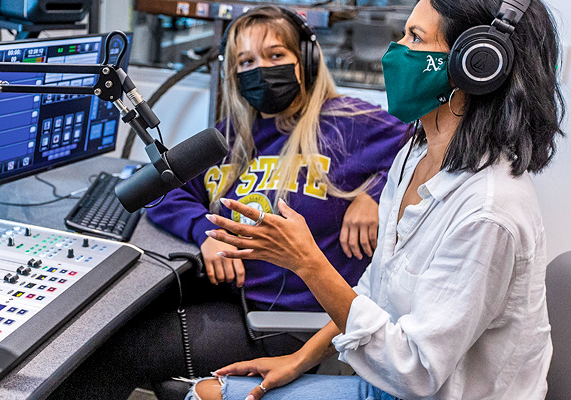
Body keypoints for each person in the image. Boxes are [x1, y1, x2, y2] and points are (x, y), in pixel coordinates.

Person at [190, 0, 564, 399]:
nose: (395, 50)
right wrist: (301, 357)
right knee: (208, 390)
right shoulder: (415, 155)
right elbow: (375, 292)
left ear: (476, 65)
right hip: (390, 380)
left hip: (425, 389)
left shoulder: (489, 212)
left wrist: (306, 261)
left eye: (414, 38)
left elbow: (417, 374)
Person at [48, 6, 407, 400]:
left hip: (279, 318)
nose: (261, 69)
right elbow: (166, 189)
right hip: (227, 294)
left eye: (275, 56)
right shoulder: (234, 134)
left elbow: (432, 152)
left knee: (109, 354)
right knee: (97, 327)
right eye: (246, 61)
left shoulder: (352, 122)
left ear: (305, 60)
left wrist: (375, 195)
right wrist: (205, 232)